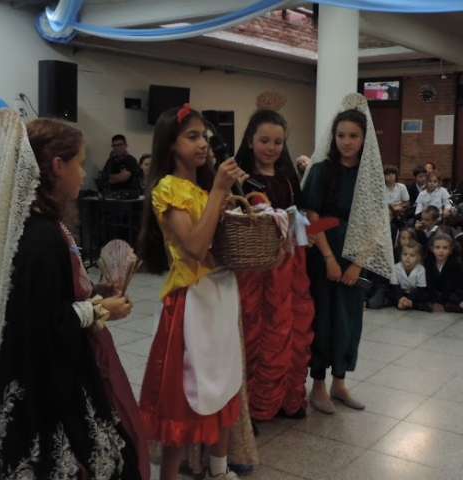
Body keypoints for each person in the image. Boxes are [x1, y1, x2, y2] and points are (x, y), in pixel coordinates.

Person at [0, 111, 143, 480]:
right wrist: (99, 309)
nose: (83, 174)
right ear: (57, 166)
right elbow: (40, 319)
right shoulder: (41, 235)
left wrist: (92, 292)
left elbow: (47, 294)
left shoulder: (41, 225)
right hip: (47, 376)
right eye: (79, 164)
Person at [138, 104, 248, 480]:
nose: (203, 143)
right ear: (171, 143)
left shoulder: (203, 188)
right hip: (189, 303)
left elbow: (221, 246)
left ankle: (218, 469)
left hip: (220, 296)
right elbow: (196, 248)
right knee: (182, 398)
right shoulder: (168, 188)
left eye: (204, 136)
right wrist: (218, 191)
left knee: (224, 380)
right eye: (192, 136)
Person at [301, 93, 394, 415]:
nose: (347, 142)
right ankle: (318, 385)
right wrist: (328, 257)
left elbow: (375, 223)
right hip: (323, 251)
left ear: (364, 138)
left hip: (355, 255)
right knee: (322, 317)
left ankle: (339, 382)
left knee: (347, 319)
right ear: (334, 137)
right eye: (341, 135)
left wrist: (357, 263)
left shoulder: (370, 178)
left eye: (353, 136)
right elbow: (312, 216)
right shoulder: (320, 171)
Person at [234, 109, 315, 422]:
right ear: (250, 141)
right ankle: (251, 405)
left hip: (290, 263)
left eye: (278, 142)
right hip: (256, 267)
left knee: (289, 327)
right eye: (264, 140)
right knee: (255, 328)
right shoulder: (239, 180)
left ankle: (286, 397)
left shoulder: (288, 178)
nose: (271, 147)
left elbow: (299, 213)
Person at [425, 234, 463, 313]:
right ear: (432, 249)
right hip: (434, 291)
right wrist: (435, 301)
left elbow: (449, 285)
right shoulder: (428, 261)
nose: (441, 251)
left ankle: (450, 306)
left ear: (450, 250)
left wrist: (441, 301)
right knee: (423, 294)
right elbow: (429, 282)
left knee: (454, 297)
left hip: (451, 291)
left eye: (445, 248)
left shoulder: (455, 263)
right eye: (437, 247)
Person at [391, 242, 430, 312]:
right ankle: (404, 303)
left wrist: (409, 299)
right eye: (405, 254)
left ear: (418, 258)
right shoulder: (396, 267)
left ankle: (409, 304)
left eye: (412, 255)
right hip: (401, 292)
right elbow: (395, 286)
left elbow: (420, 288)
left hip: (414, 293)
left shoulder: (421, 269)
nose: (407, 257)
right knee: (388, 292)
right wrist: (400, 298)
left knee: (426, 295)